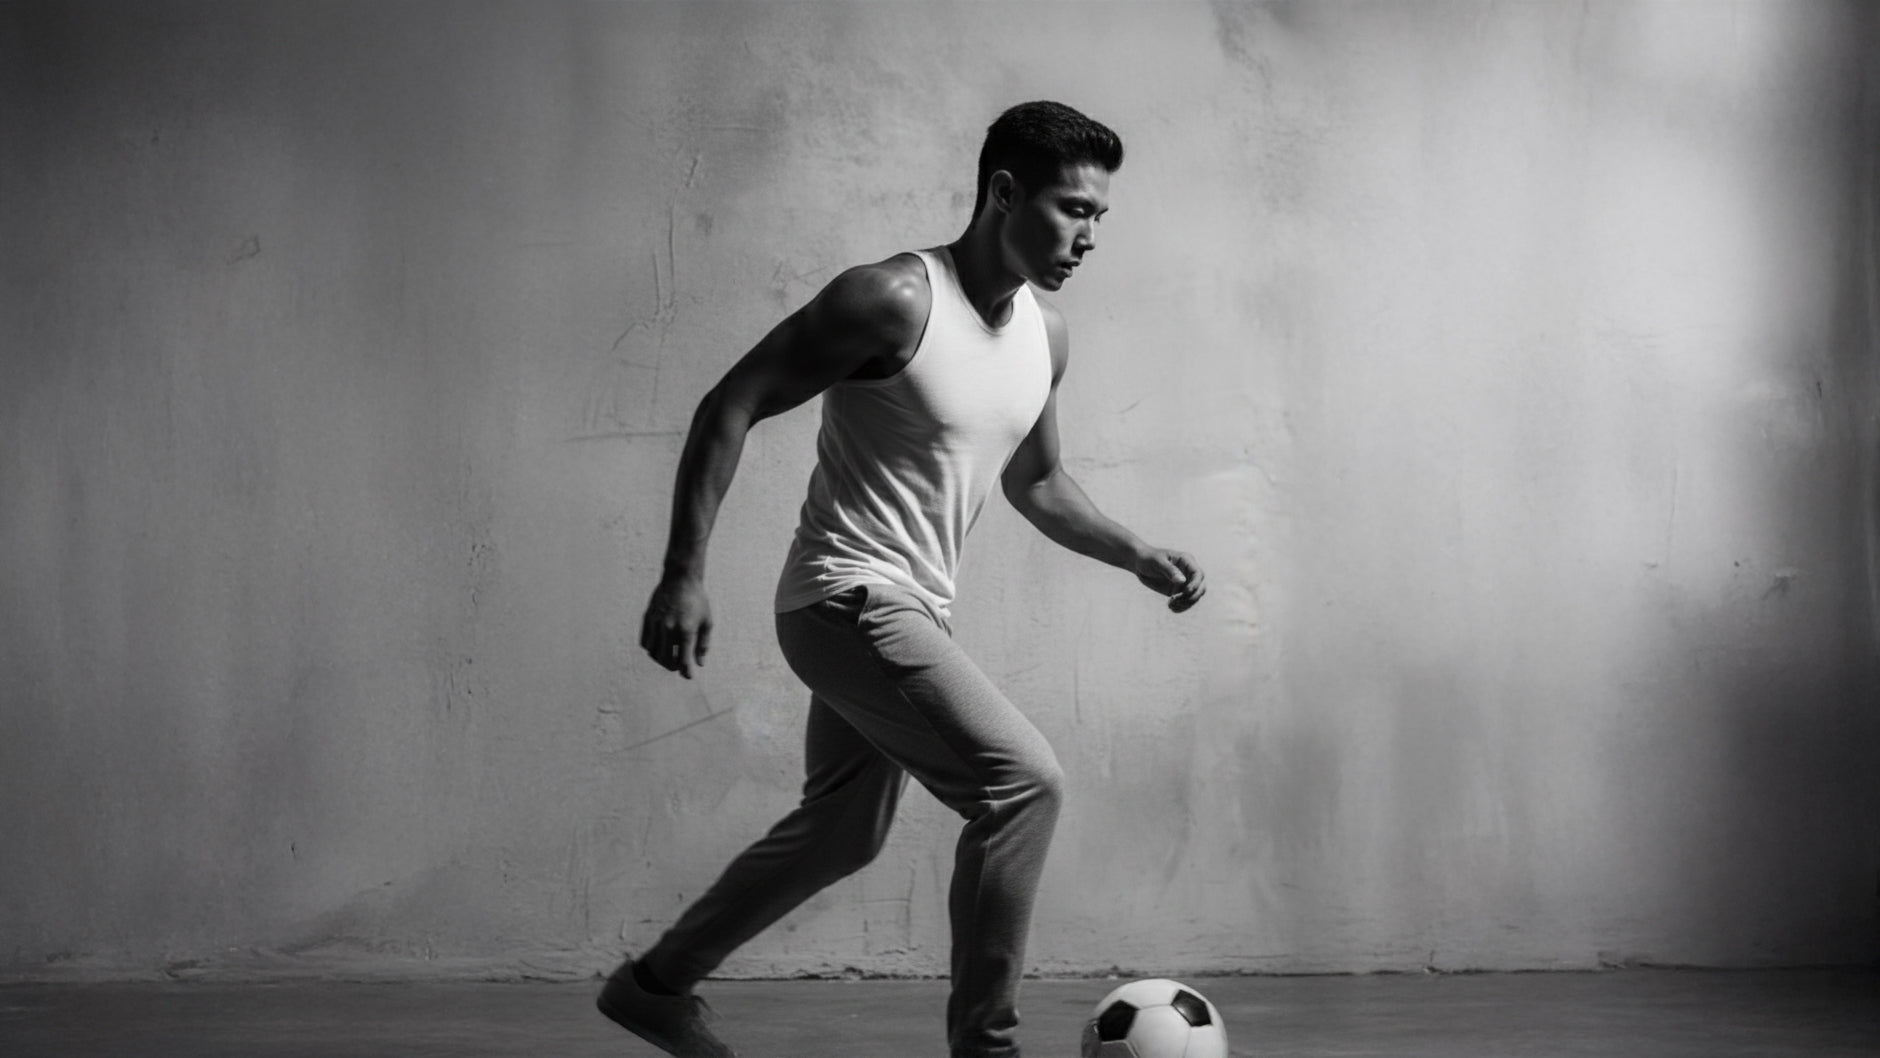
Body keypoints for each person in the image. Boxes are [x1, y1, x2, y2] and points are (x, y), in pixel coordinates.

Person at [598, 100, 1207, 1058]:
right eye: (1072, 210)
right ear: (1004, 193)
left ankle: (653, 989)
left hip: (911, 610)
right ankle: (987, 1049)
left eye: (1099, 216)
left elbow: (1039, 483)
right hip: (846, 596)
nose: (1089, 236)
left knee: (843, 830)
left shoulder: (1044, 335)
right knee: (1022, 786)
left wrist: (1136, 553)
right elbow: (733, 400)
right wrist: (683, 573)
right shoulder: (891, 300)